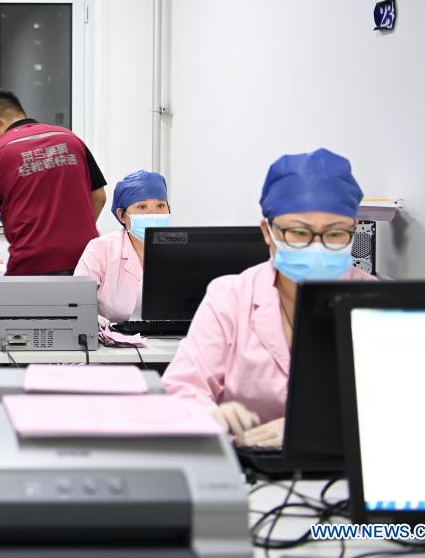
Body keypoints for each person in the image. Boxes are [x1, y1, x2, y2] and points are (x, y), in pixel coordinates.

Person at [162, 149, 374, 448]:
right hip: (248, 464)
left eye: (336, 234)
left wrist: (311, 429)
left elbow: (406, 403)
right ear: (267, 231)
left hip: (348, 470)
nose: (317, 246)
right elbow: (182, 388)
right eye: (299, 232)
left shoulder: (374, 301)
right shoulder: (230, 297)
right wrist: (211, 416)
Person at [0, 90, 107, 276]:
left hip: (32, 263)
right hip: (86, 259)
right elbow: (99, 197)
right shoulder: (71, 139)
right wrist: (74, 233)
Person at [75, 170, 171, 322]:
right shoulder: (100, 249)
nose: (153, 214)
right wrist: (92, 319)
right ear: (122, 215)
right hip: (112, 340)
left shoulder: (182, 250)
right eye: (142, 207)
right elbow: (76, 301)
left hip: (171, 340)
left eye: (160, 205)